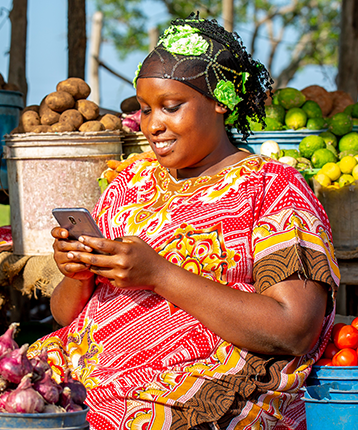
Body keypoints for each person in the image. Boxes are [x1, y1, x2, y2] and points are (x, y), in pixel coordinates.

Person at [28, 14, 339, 430]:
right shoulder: (130, 181)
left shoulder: (274, 189)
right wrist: (79, 273)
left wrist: (158, 274)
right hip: (85, 369)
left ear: (220, 101)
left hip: (193, 390)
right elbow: (67, 316)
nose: (153, 124)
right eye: (144, 109)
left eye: (171, 107)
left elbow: (293, 328)